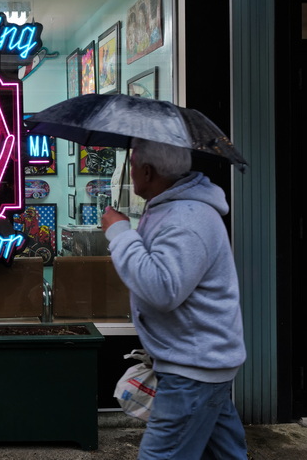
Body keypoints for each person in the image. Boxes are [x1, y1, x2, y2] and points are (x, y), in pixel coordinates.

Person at [101, 137, 247, 459]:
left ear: (149, 172)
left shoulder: (186, 220)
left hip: (192, 369)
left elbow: (162, 289)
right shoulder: (173, 210)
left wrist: (120, 235)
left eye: (135, 164)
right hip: (198, 362)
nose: (132, 170)